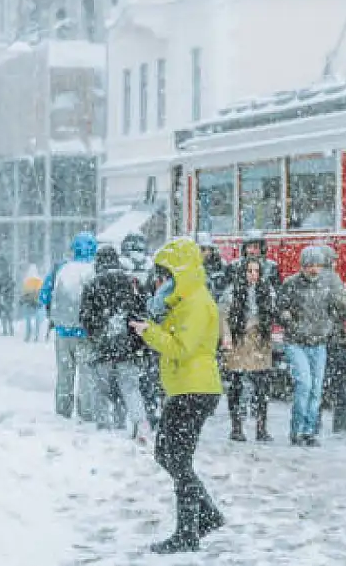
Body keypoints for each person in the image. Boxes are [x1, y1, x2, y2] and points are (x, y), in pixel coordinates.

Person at [129, 237, 224, 554]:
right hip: (184, 388)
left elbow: (181, 348)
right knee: (165, 453)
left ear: (181, 271)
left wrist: (149, 332)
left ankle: (188, 532)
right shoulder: (184, 300)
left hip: (194, 390)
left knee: (178, 459)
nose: (162, 280)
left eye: (167, 274)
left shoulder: (197, 302)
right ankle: (207, 514)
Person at [276, 246, 346, 446]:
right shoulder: (291, 284)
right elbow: (280, 308)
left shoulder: (328, 285)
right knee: (305, 385)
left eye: (317, 265)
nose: (314, 270)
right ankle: (297, 430)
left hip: (319, 343)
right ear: (302, 266)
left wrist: (341, 300)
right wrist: (289, 320)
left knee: (316, 389)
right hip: (296, 342)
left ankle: (310, 432)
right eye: (309, 265)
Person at [80, 246, 152, 440]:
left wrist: (96, 334)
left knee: (101, 388)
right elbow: (142, 312)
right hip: (127, 346)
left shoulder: (92, 284)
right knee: (129, 387)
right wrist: (137, 341)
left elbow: (85, 317)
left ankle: (104, 426)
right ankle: (139, 422)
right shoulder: (132, 282)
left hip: (102, 346)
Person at [41, 232, 99, 422]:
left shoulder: (60, 268)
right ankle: (87, 412)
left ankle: (63, 412)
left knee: (65, 373)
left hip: (62, 331)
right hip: (86, 333)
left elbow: (44, 295)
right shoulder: (94, 270)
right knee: (86, 374)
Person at [221, 258, 278, 442]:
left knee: (262, 386)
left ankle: (261, 428)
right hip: (239, 339)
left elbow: (272, 313)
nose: (253, 275)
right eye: (249, 271)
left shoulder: (266, 290)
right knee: (237, 384)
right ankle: (236, 427)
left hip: (260, 340)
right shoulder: (232, 291)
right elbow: (223, 315)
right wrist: (227, 336)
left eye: (256, 271)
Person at [121, 231, 163, 426]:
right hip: (149, 325)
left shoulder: (124, 267)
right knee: (150, 375)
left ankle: (136, 412)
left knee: (132, 376)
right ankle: (151, 408)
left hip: (131, 327)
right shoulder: (151, 267)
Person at [317, 246, 346, 434]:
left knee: (318, 381)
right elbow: (345, 308)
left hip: (316, 338)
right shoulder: (332, 278)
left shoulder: (309, 278)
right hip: (334, 337)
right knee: (340, 381)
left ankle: (314, 420)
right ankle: (340, 421)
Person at [20, 264, 44, 342]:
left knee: (28, 320)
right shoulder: (39, 281)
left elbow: (24, 293)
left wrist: (23, 300)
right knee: (37, 320)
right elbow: (40, 292)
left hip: (29, 303)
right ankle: (36, 335)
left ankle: (28, 335)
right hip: (36, 303)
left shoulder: (27, 281)